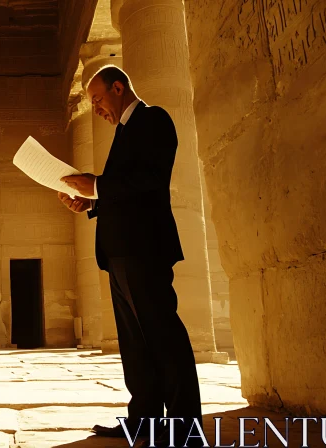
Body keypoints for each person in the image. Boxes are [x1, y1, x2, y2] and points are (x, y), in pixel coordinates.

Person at [59, 66, 203, 448]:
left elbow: (151, 179)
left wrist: (98, 186)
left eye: (98, 100)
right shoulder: (123, 133)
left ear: (118, 88)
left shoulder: (154, 119)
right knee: (135, 344)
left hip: (145, 248)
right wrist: (89, 200)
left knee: (163, 337)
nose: (96, 110)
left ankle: (185, 429)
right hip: (119, 252)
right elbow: (124, 192)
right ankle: (145, 422)